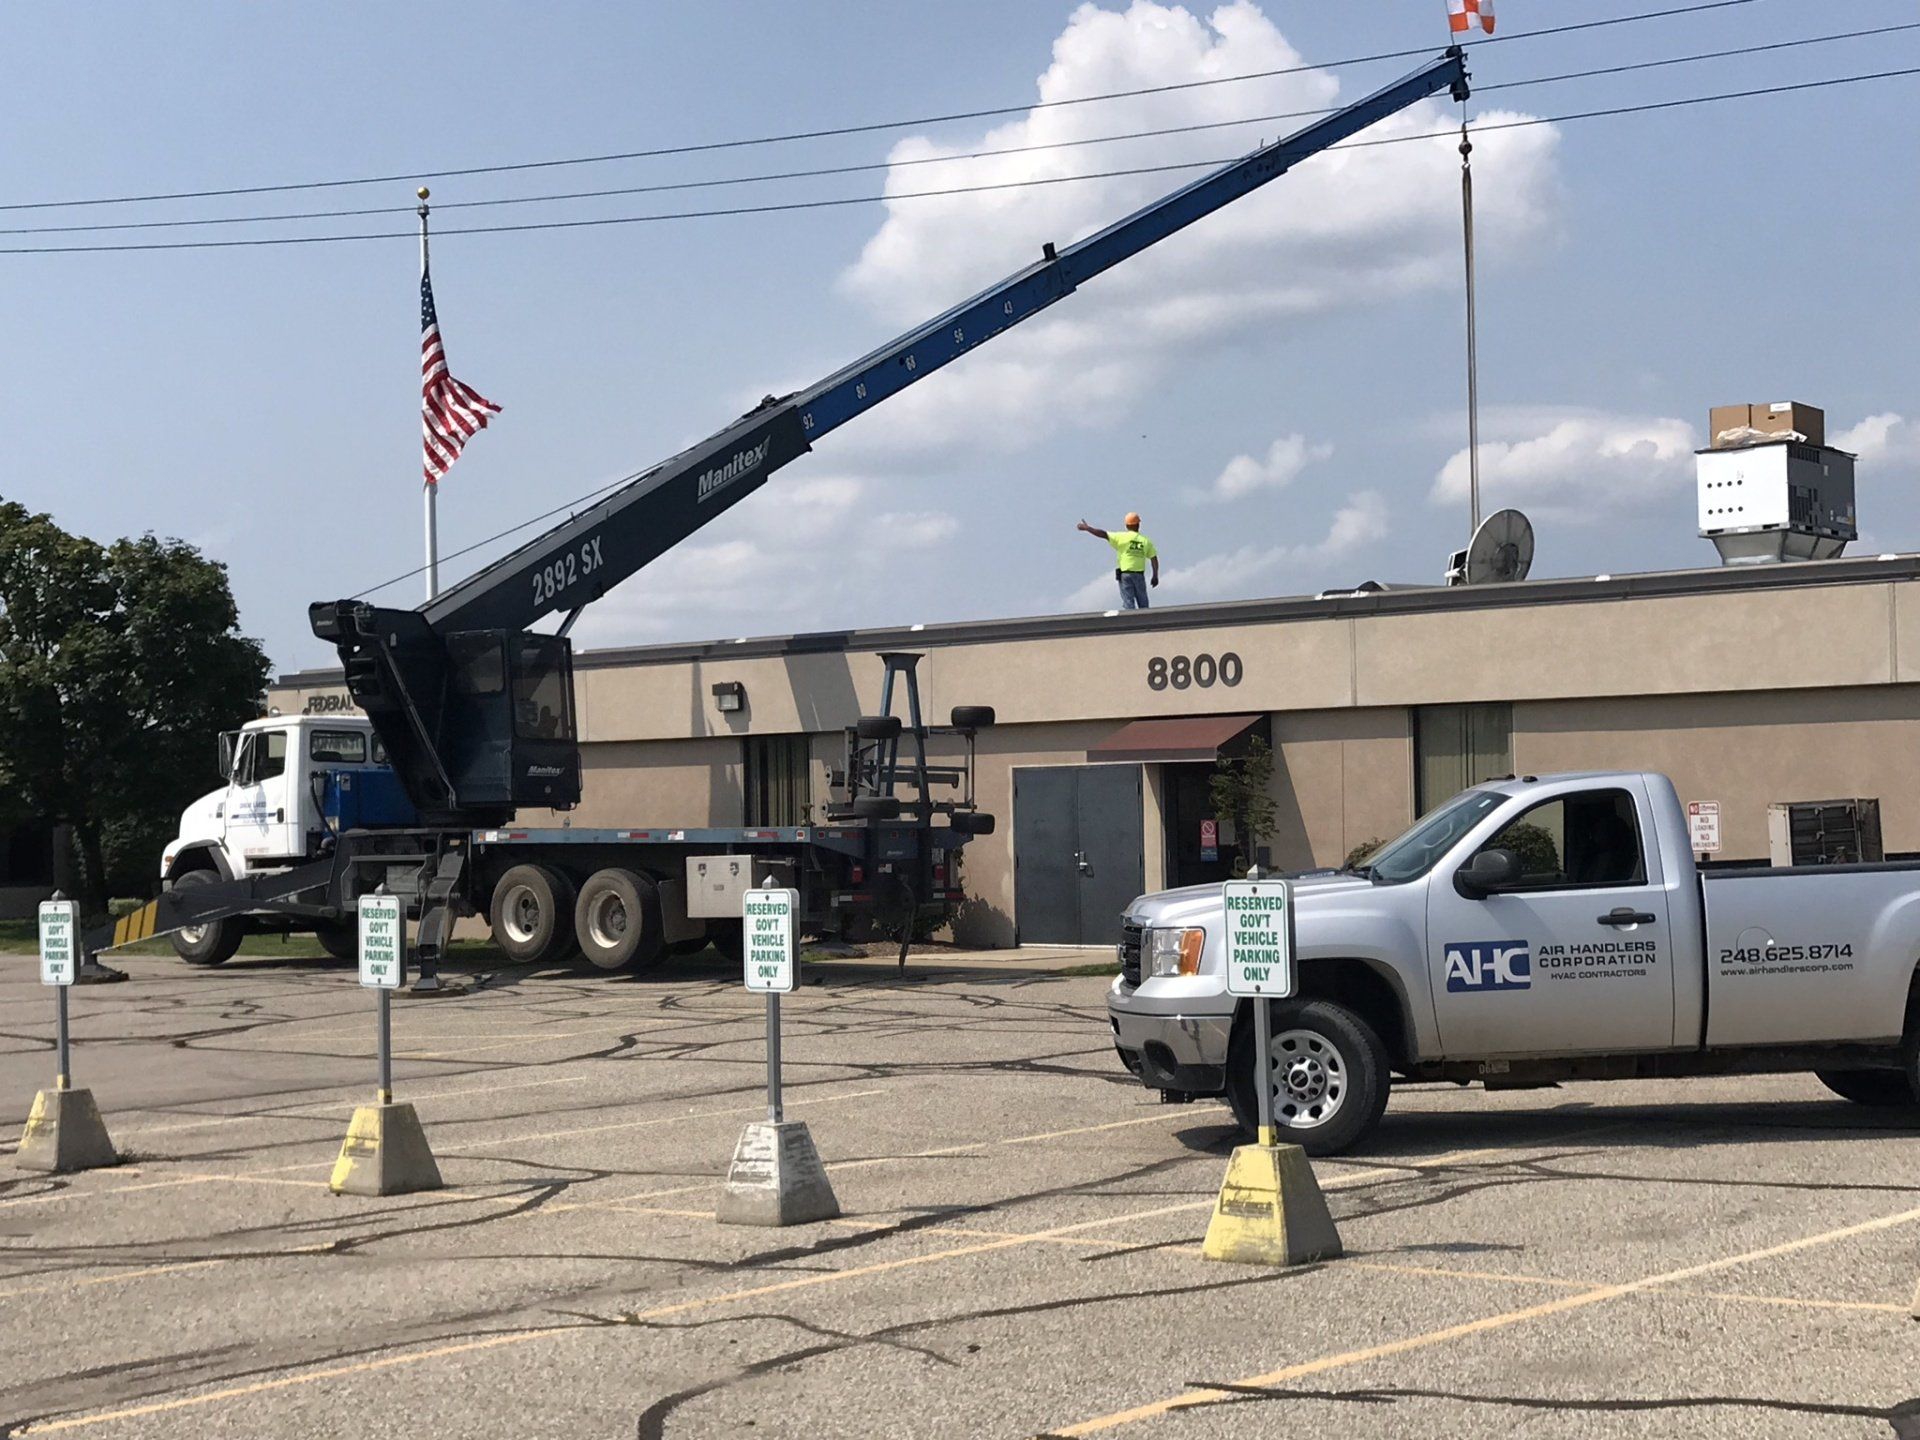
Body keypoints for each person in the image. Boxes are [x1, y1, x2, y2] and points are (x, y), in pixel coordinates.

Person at [1076, 512, 1159, 610]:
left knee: (1129, 603)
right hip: (1139, 575)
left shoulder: (1121, 537)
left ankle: (1131, 622)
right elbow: (1154, 559)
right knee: (1143, 604)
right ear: (1138, 525)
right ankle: (1146, 622)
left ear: (1126, 525)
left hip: (1125, 575)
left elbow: (1103, 534)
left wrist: (1087, 528)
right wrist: (1155, 576)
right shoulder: (1145, 541)